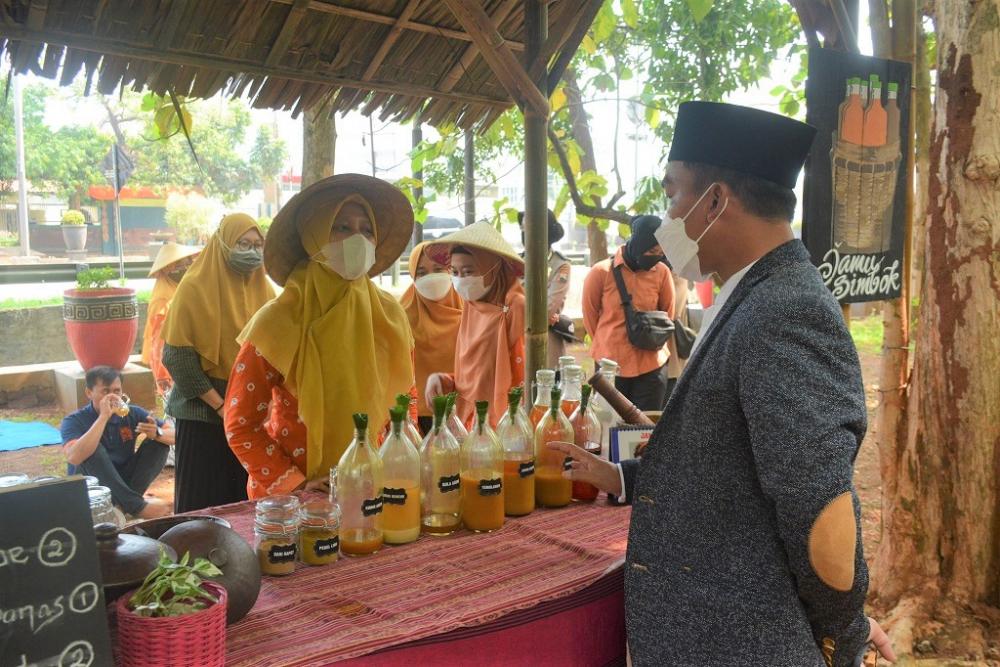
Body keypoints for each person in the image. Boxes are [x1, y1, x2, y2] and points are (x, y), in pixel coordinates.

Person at [554, 101, 894, 666]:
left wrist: (843, 633)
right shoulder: (752, 292)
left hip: (742, 645)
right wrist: (622, 474)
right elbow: (731, 457)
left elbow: (820, 509)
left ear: (715, 201)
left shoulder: (785, 309)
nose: (666, 217)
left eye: (672, 192)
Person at [225, 175, 415, 498]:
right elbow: (240, 424)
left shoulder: (390, 316)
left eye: (366, 230)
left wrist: (406, 464)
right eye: (342, 227)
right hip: (297, 503)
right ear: (314, 236)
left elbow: (406, 402)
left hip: (374, 489)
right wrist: (294, 484)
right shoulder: (277, 321)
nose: (358, 238)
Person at [161, 213, 275, 512]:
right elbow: (177, 358)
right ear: (223, 244)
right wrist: (223, 406)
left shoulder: (265, 290)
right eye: (242, 243)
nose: (251, 252)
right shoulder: (195, 286)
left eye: (257, 245)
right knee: (202, 502)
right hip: (202, 414)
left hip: (250, 417)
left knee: (242, 500)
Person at [424, 221, 525, 427]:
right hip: (468, 420)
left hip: (505, 424)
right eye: (455, 272)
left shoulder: (515, 306)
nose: (460, 279)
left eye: (469, 272)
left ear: (493, 268)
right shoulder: (470, 306)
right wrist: (443, 379)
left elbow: (522, 373)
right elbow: (473, 378)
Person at [582, 215, 675, 411]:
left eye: (660, 252)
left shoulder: (662, 272)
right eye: (651, 251)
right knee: (610, 429)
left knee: (646, 430)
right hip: (610, 367)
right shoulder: (601, 272)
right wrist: (608, 343)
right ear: (638, 243)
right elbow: (590, 317)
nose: (655, 257)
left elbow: (668, 314)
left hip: (651, 365)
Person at [61, 366, 173, 519]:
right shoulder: (74, 420)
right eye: (105, 392)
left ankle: (121, 507)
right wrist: (103, 417)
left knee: (158, 444)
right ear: (89, 393)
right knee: (91, 449)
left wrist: (157, 433)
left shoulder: (132, 413)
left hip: (123, 482)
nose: (112, 397)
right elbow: (74, 457)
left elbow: (176, 435)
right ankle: (136, 507)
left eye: (117, 391)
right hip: (91, 487)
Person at [400, 241, 463, 434]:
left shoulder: (471, 314)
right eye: (421, 272)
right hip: (415, 418)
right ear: (412, 276)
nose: (431, 278)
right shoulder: (400, 317)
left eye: (438, 269)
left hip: (462, 414)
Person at [141, 242, 200, 397]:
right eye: (182, 264)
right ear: (168, 269)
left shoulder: (179, 290)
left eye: (189, 262)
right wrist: (162, 376)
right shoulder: (163, 300)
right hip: (172, 368)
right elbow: (158, 343)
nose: (188, 267)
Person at [518, 209, 572, 368]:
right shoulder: (516, 261)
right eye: (522, 230)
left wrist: (514, 315)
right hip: (517, 344)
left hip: (546, 345)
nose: (524, 235)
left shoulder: (560, 266)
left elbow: (548, 308)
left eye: (529, 230)